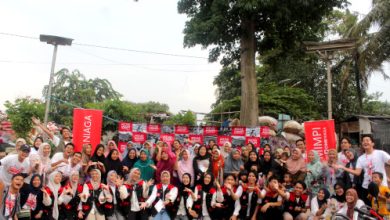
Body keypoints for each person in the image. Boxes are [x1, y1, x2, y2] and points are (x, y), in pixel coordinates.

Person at [335, 134, 390, 205]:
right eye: (363, 141)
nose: (365, 142)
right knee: (369, 209)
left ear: (373, 143)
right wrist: (343, 167)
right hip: (366, 187)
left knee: (383, 209)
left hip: (381, 186)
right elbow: (357, 172)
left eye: (367, 140)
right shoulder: (361, 158)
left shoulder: (380, 153)